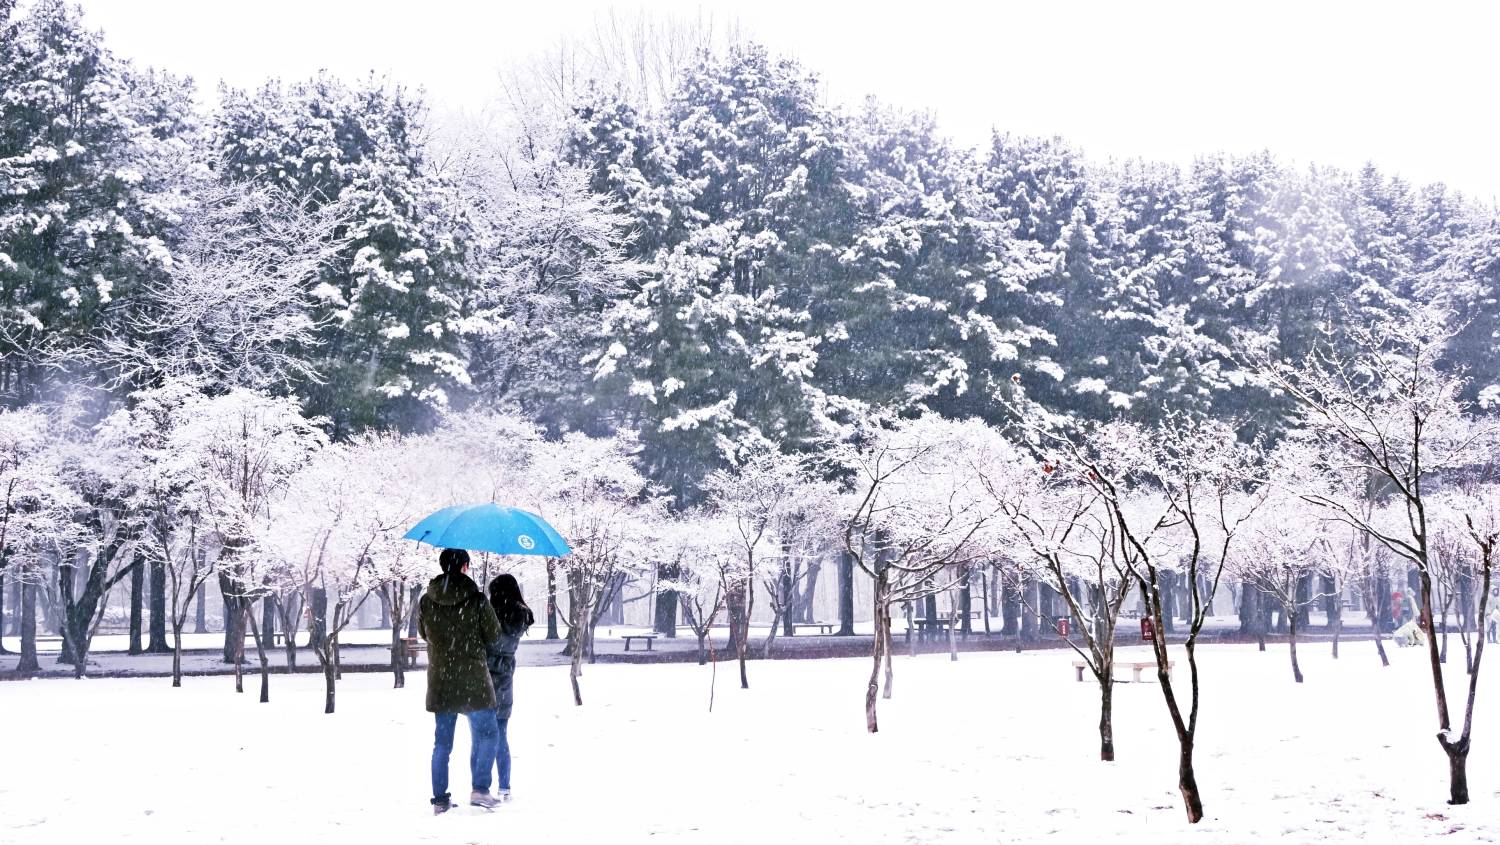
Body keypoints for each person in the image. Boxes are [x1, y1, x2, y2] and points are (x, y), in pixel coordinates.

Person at [419, 548, 503, 814]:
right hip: (474, 679)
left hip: (441, 679)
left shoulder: (426, 600)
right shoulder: (477, 599)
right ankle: (480, 788)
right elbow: (493, 635)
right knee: (488, 734)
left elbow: (424, 633)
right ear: (465, 566)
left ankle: (440, 800)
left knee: (442, 743)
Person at [486, 573, 535, 802]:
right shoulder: (520, 615)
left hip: (485, 677)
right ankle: (504, 786)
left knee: (482, 736)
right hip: (506, 677)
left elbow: (487, 641)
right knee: (501, 734)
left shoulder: (491, 615)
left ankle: (480, 785)